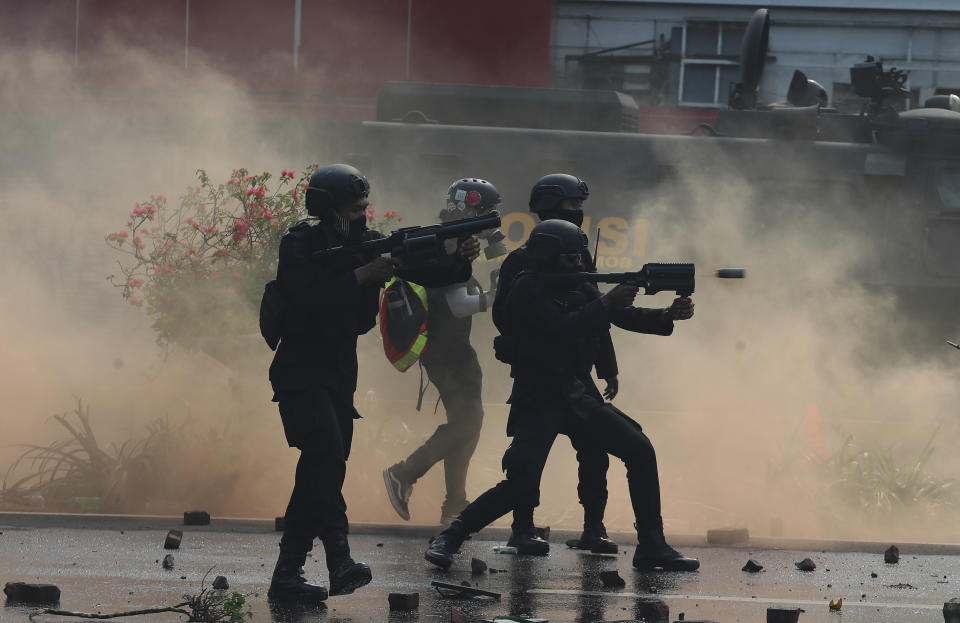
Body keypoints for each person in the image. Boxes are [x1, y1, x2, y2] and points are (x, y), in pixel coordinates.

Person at [425, 219, 699, 573]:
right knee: (520, 483)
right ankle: (453, 535)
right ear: (549, 257)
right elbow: (561, 326)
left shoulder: (580, 285)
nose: (580, 265)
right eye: (571, 258)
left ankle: (652, 545)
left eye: (580, 257)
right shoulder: (526, 288)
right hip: (539, 395)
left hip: (576, 394)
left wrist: (667, 314)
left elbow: (622, 315)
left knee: (640, 450)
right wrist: (606, 303)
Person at [267, 164, 480, 603]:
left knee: (321, 469)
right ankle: (339, 560)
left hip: (339, 370)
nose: (362, 215)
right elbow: (305, 298)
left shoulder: (369, 243)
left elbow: (429, 274)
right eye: (353, 208)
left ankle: (286, 577)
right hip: (300, 368)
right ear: (327, 209)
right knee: (324, 455)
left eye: (365, 207)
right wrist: (362, 276)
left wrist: (459, 260)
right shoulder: (300, 244)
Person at [494, 174, 619, 556]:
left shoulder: (578, 258)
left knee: (595, 452)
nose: (579, 215)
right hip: (540, 376)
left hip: (577, 377)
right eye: (571, 208)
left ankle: (593, 528)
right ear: (549, 210)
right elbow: (504, 317)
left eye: (580, 208)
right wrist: (543, 328)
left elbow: (598, 314)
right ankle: (521, 529)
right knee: (528, 458)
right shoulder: (521, 263)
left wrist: (607, 366)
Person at [383, 178, 506, 525]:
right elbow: (456, 304)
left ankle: (454, 505)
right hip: (447, 353)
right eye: (488, 211)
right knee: (468, 423)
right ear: (473, 210)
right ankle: (405, 473)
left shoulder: (449, 240)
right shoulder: (449, 244)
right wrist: (494, 296)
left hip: (452, 351)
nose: (493, 219)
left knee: (467, 425)